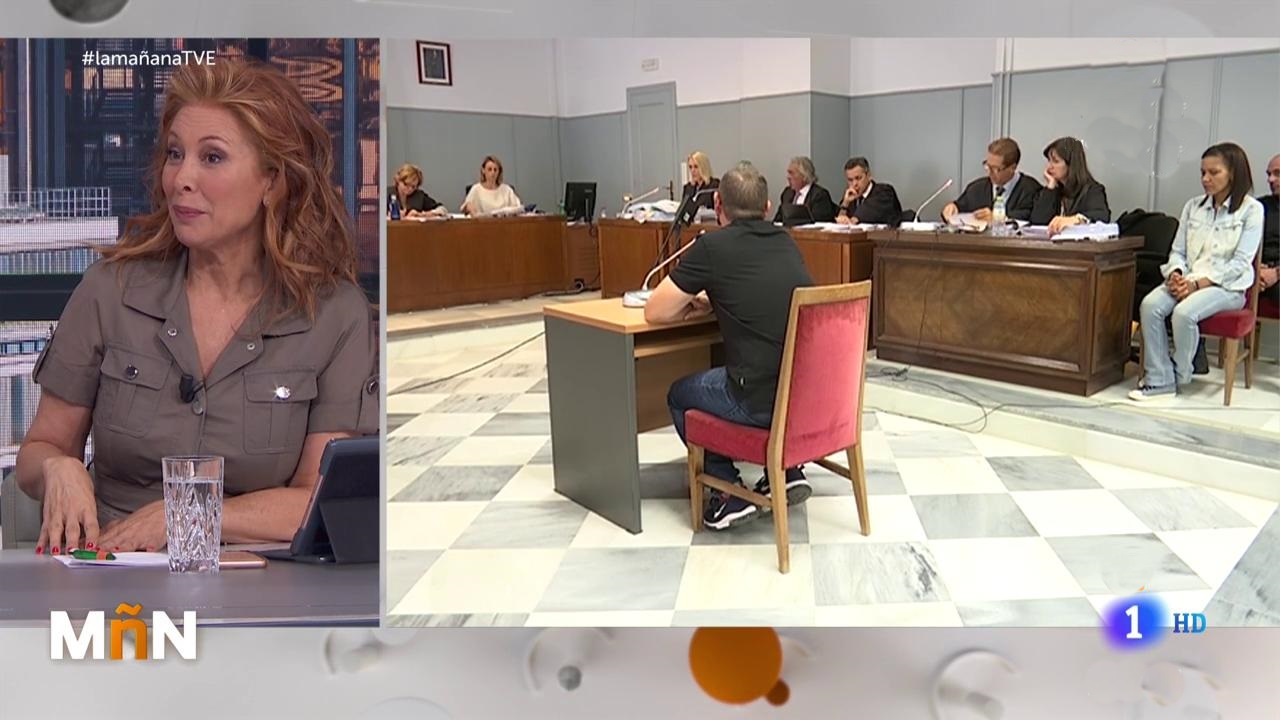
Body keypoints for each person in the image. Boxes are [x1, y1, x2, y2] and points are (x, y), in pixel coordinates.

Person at [15, 59, 379, 554]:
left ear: (272, 181)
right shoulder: (109, 291)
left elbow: (318, 498)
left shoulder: (335, 314)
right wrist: (58, 467)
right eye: (174, 154)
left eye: (212, 157)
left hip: (259, 577)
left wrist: (189, 516)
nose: (181, 178)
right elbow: (39, 451)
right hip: (112, 563)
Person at [646, 162, 814, 530]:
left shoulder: (712, 246)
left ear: (718, 203)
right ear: (767, 207)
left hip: (756, 402)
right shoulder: (786, 242)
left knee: (678, 395)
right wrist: (718, 299)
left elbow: (655, 311)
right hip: (804, 400)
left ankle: (727, 490)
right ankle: (786, 470)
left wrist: (703, 300)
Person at [1130, 143, 1263, 401]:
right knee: (1150, 305)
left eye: (1214, 172)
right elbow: (1177, 251)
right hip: (1188, 281)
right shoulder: (1193, 206)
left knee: (1183, 313)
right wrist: (1176, 274)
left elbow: (1240, 263)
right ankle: (1160, 379)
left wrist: (1197, 285)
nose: (1205, 179)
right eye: (1203, 172)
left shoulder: (1251, 210)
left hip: (1227, 287)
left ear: (1233, 173)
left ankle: (1178, 374)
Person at [942, 137, 1042, 223]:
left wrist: (999, 219)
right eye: (987, 166)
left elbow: (1032, 219)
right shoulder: (976, 188)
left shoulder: (1031, 190)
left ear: (1012, 167)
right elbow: (959, 208)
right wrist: (952, 208)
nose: (989, 172)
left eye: (996, 169)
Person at [1030, 136, 1111, 234]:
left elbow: (1102, 216)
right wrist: (1050, 187)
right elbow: (1037, 222)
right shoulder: (1052, 191)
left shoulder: (1092, 190)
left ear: (1071, 164)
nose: (1049, 167)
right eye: (1049, 161)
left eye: (1056, 161)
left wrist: (1076, 219)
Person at [835, 156, 903, 226]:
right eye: (850, 180)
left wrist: (853, 220)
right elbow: (840, 222)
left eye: (858, 178)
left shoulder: (884, 191)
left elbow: (871, 209)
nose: (854, 184)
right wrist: (845, 203)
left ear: (869, 176)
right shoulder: (851, 198)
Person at [772, 156, 837, 223]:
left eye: (791, 173)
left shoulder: (819, 195)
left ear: (804, 176)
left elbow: (818, 222)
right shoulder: (787, 193)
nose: (788, 177)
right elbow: (777, 220)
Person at [1258, 153, 1279, 302]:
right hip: (1258, 272)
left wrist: (1277, 273)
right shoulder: (1258, 207)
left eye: (1277, 174)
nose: (1270, 179)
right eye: (1269, 174)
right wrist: (1255, 269)